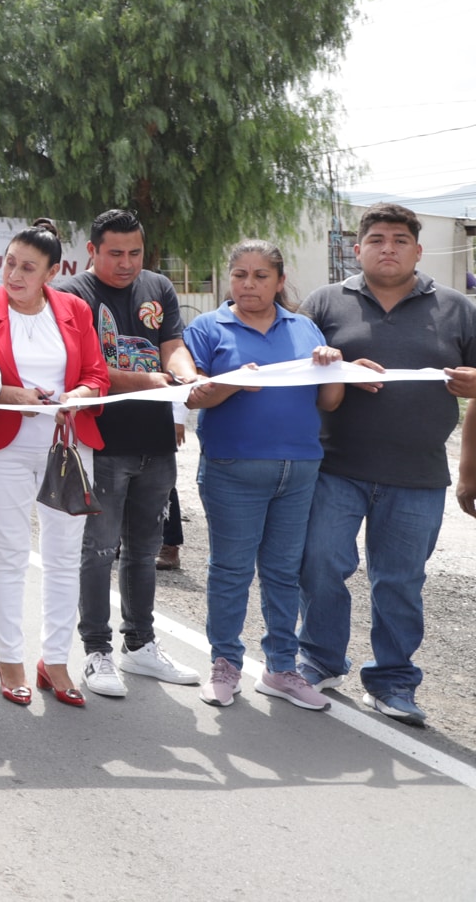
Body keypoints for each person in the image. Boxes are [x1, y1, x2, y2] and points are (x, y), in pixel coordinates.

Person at [299, 203, 476, 726]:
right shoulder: (325, 303)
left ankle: (393, 681)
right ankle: (321, 660)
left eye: (400, 240)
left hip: (418, 474)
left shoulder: (458, 309)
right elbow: (296, 376)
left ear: (419, 251)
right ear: (357, 249)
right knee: (322, 566)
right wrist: (331, 365)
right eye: (376, 239)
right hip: (335, 468)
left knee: (399, 580)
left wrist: (469, 473)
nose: (388, 248)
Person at [183, 240, 341, 711]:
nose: (248, 285)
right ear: (229, 278)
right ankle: (225, 666)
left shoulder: (305, 327)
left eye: (260, 276)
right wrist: (230, 383)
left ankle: (281, 669)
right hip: (233, 468)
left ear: (279, 280)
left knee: (283, 572)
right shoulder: (208, 327)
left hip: (300, 468)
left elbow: (328, 402)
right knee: (230, 571)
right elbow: (191, 397)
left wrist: (333, 367)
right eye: (240, 275)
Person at [56, 208, 203, 699]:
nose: (125, 263)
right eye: (114, 253)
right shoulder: (72, 294)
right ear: (92, 251)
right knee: (98, 551)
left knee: (144, 551)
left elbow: (173, 347)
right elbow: (85, 368)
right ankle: (96, 650)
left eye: (134, 253)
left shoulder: (158, 287)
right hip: (102, 445)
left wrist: (186, 374)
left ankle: (140, 645)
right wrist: (147, 381)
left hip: (156, 444)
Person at [0, 220, 108, 708]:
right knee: (9, 554)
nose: (14, 274)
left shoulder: (74, 309)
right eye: (9, 262)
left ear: (52, 271)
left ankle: (56, 660)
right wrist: (9, 394)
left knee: (65, 556)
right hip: (3, 445)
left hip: (69, 444)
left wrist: (82, 393)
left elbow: (96, 374)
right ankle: (10, 660)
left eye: (28, 267)